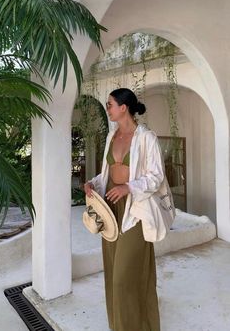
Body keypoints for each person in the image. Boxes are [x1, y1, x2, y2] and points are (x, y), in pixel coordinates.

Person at [84, 88, 164, 331]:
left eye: (109, 104)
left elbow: (156, 177)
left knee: (125, 278)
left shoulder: (146, 138)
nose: (107, 108)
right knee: (112, 272)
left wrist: (129, 188)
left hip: (135, 209)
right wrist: (94, 183)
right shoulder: (111, 137)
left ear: (123, 107)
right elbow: (108, 174)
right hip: (110, 208)